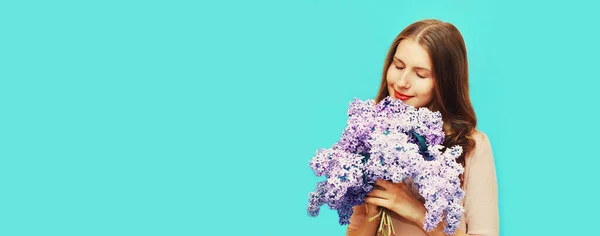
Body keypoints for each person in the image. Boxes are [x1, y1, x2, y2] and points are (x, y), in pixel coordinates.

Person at [346, 19, 499, 236]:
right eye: (398, 66)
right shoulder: (371, 135)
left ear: (444, 82)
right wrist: (374, 211)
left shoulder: (471, 146)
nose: (402, 82)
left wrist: (415, 211)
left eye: (420, 74)